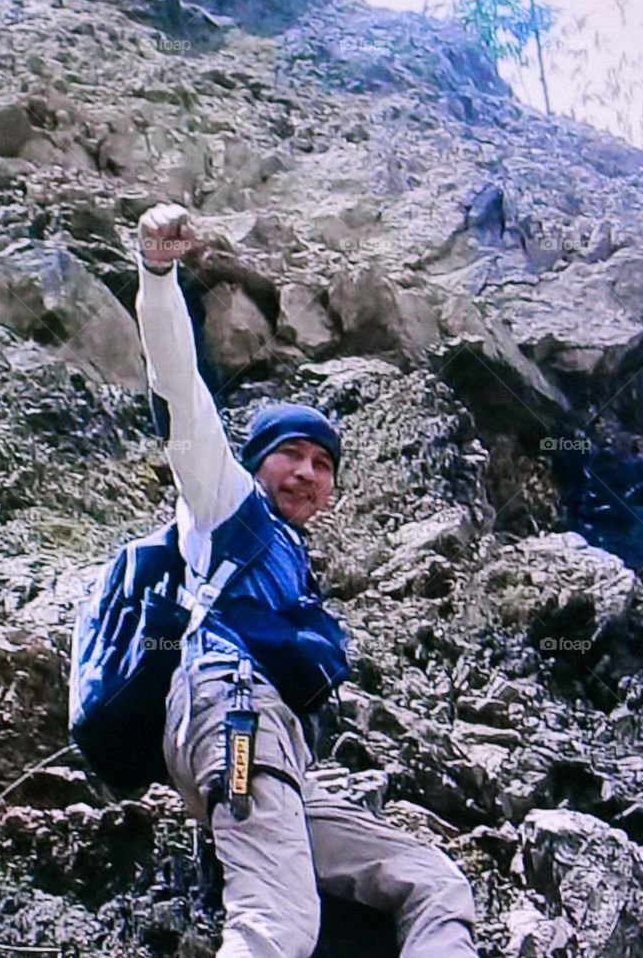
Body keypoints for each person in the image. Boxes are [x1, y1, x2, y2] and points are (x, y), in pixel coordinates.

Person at [135, 202, 479, 958]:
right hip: (232, 720)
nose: (308, 472)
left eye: (324, 465)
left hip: (278, 754)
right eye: (293, 453)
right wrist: (158, 276)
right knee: (277, 926)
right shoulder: (222, 501)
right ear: (256, 460)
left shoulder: (292, 558)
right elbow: (180, 392)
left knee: (432, 880)